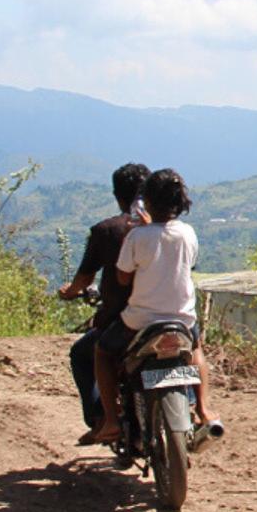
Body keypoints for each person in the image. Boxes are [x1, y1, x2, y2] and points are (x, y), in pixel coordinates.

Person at [82, 167, 215, 444]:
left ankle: (110, 420)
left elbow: (122, 277)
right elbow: (188, 264)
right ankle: (203, 409)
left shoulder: (137, 237)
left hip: (139, 321)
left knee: (102, 353)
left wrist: (142, 234)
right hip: (182, 320)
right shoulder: (188, 233)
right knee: (197, 348)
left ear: (147, 201)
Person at [58, 162, 149, 444]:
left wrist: (69, 292)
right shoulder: (171, 231)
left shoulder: (107, 231)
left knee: (85, 353)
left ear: (117, 195)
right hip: (172, 317)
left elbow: (85, 279)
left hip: (123, 318)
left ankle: (103, 420)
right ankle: (196, 408)